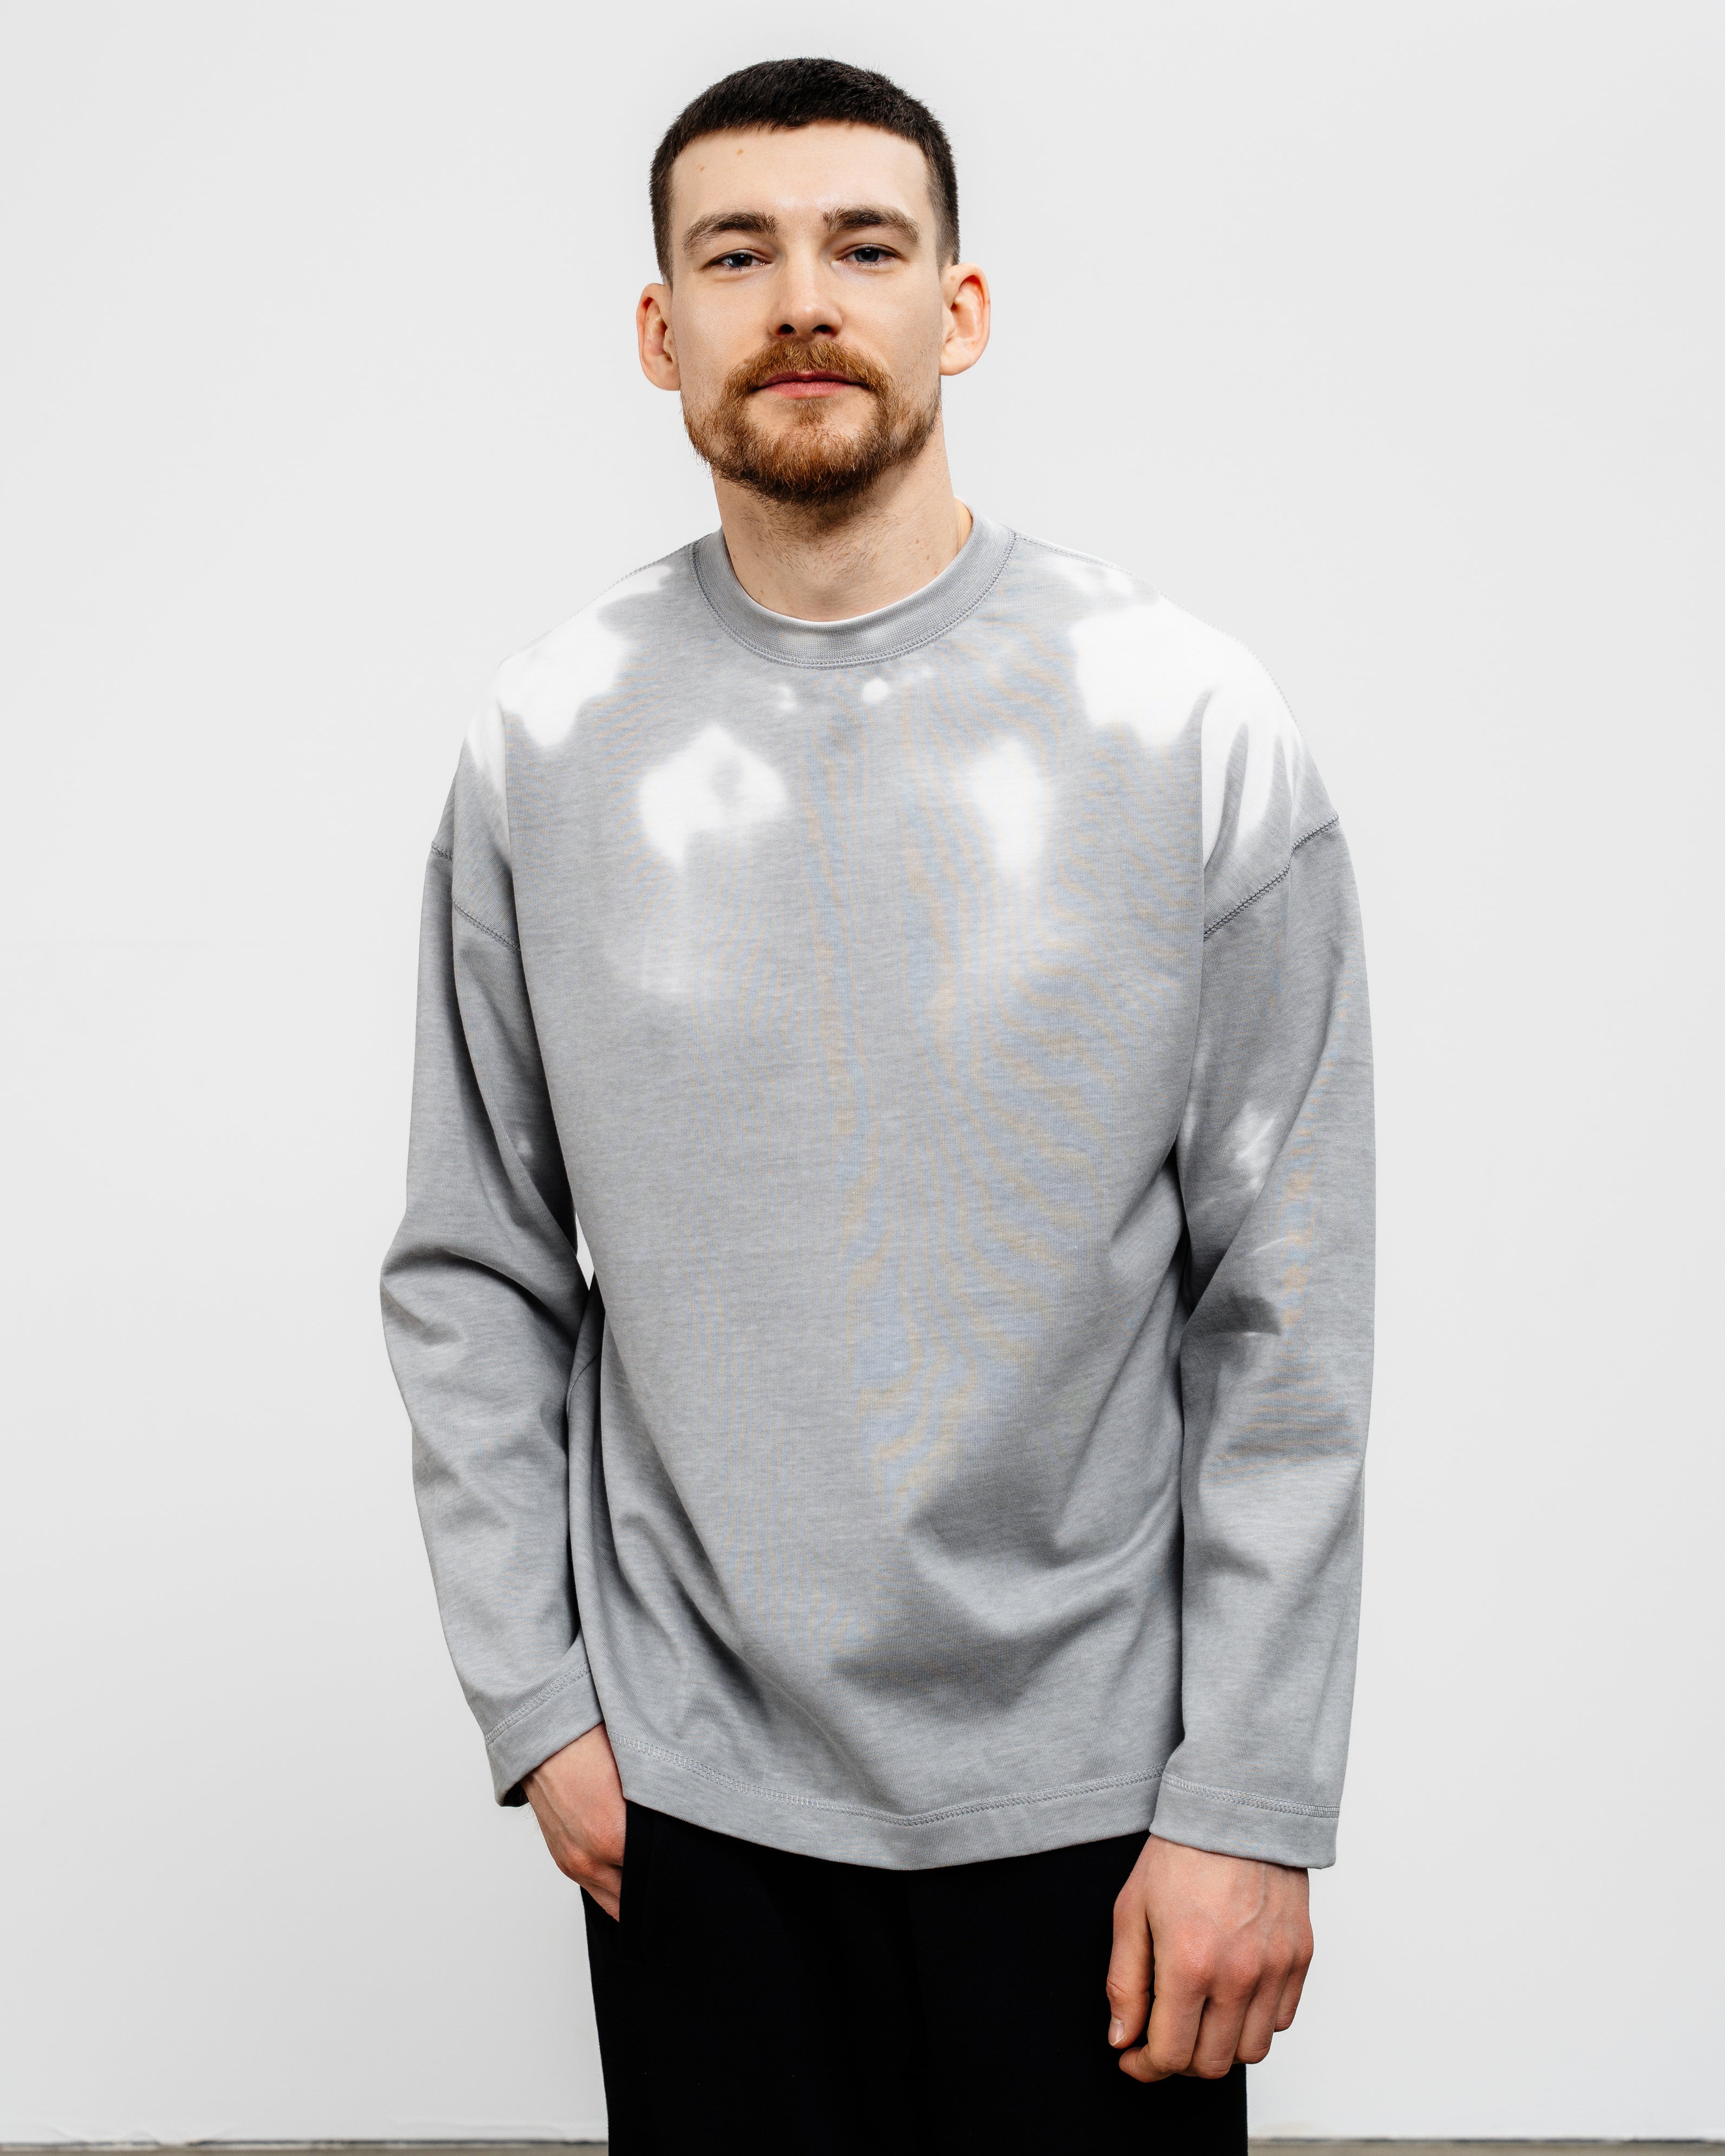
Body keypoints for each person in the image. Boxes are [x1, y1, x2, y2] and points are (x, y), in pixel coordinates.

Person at [380, 55, 1374, 2156]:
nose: (805, 301)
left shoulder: (1186, 720)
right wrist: (537, 1703)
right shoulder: (545, 741)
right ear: (660, 327)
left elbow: (1285, 1305)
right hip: (694, 1809)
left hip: (1101, 1809)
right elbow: (472, 1261)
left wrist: (1252, 1793)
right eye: (738, 254)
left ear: (962, 307)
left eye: (865, 245)